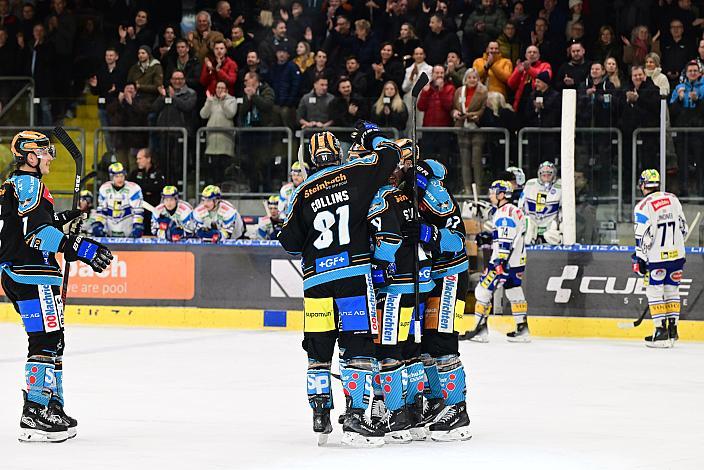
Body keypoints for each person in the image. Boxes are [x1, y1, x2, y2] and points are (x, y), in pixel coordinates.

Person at [277, 124, 403, 447]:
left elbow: (289, 242)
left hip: (316, 283)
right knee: (358, 348)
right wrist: (372, 135)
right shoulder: (354, 175)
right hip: (351, 279)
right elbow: (391, 155)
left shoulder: (301, 193)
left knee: (318, 353)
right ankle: (358, 419)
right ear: (338, 153)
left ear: (309, 160)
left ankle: (321, 418)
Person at [0, 131, 112, 442]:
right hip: (32, 273)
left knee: (51, 339)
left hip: (20, 272)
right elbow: (35, 236)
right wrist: (81, 247)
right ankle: (35, 411)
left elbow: (29, 225)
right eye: (46, 153)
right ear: (31, 158)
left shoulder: (16, 185)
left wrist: (65, 219)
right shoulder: (30, 184)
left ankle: (50, 404)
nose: (51, 157)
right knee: (47, 339)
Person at [365, 146, 435, 442]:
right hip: (417, 282)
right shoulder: (412, 195)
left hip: (396, 284)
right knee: (410, 349)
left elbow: (389, 239)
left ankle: (397, 416)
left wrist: (379, 267)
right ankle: (415, 410)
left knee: (389, 350)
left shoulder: (384, 197)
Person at [403, 154, 472, 441]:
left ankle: (457, 409)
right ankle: (436, 401)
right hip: (432, 277)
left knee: (442, 342)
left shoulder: (432, 189)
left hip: (451, 274)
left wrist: (426, 232)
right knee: (428, 344)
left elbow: (457, 239)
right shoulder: (406, 186)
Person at [467, 179, 529, 343]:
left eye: (493, 192)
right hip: (517, 261)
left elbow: (505, 240)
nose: (490, 195)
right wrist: (487, 238)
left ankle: (480, 331)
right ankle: (522, 329)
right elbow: (506, 235)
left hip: (503, 262)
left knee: (482, 290)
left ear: (502, 194)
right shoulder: (513, 210)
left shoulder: (504, 213)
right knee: (514, 290)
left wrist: (500, 261)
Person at [632, 169, 688, 348]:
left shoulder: (642, 206)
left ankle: (660, 332)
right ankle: (673, 330)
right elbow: (684, 228)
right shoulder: (673, 199)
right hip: (677, 256)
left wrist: (639, 258)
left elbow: (643, 236)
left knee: (654, 291)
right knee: (672, 290)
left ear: (642, 185)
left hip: (656, 258)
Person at [669, 61, 704, 195]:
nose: (693, 73)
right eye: (690, 71)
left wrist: (698, 101)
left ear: (699, 72)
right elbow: (672, 111)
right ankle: (684, 191)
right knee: (682, 162)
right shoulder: (679, 88)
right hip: (683, 129)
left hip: (699, 130)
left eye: (695, 71)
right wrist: (679, 98)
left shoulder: (703, 87)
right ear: (686, 73)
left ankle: (701, 191)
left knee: (700, 161)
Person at [452, 68, 487, 194]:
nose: (472, 80)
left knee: (476, 161)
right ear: (465, 79)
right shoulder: (459, 91)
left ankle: (478, 188)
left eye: (474, 77)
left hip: (477, 129)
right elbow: (454, 107)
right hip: (462, 128)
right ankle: (467, 189)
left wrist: (473, 115)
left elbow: (483, 109)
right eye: (469, 78)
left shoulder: (483, 92)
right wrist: (455, 113)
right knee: (464, 161)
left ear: (478, 79)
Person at [200, 81, 238, 184]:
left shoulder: (231, 100)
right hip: (212, 141)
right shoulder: (211, 100)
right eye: (218, 88)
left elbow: (230, 114)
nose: (219, 90)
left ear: (226, 90)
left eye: (222, 88)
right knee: (212, 169)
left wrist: (223, 101)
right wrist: (208, 102)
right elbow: (203, 115)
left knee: (223, 169)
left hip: (225, 140)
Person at [93, 162, 145, 238]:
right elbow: (102, 211)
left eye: (122, 176)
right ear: (111, 177)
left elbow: (138, 211)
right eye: (116, 176)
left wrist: (137, 226)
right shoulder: (104, 189)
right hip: (109, 232)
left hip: (128, 231)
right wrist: (98, 224)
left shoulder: (134, 188)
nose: (120, 179)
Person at [519, 161, 562, 245]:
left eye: (549, 174)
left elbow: (563, 209)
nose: (546, 176)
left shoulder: (560, 186)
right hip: (532, 224)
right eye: (543, 174)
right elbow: (521, 205)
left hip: (551, 225)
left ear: (554, 174)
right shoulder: (530, 184)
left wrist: (558, 223)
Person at [128, 148, 166, 232]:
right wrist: (148, 189)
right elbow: (130, 189)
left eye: (140, 158)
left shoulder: (158, 173)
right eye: (137, 158)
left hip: (153, 211)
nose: (137, 161)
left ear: (148, 159)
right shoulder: (134, 173)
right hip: (137, 212)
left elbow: (160, 188)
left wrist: (143, 188)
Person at [507, 45, 552, 111]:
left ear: (539, 55)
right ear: (525, 55)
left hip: (536, 100)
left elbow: (545, 78)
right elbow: (511, 84)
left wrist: (529, 69)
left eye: (534, 52)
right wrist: (518, 72)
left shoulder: (545, 65)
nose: (532, 54)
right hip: (521, 102)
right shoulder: (521, 66)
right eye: (529, 52)